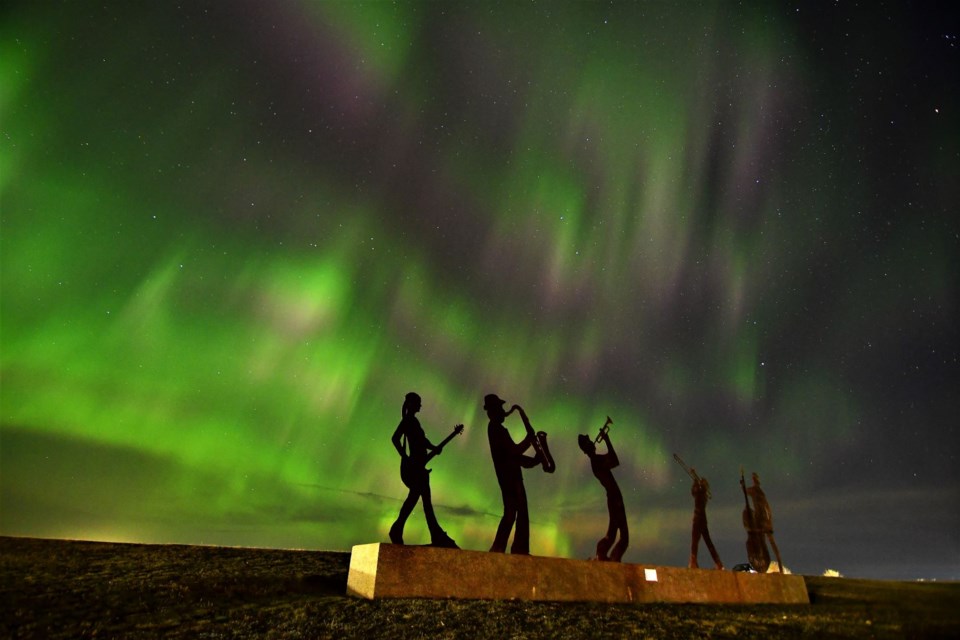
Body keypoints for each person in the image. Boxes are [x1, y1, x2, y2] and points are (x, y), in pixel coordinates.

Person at [389, 392, 457, 548]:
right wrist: (404, 457)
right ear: (411, 404)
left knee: (415, 499)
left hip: (419, 467)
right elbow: (395, 438)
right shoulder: (408, 420)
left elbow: (421, 441)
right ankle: (434, 533)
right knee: (424, 501)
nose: (420, 405)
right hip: (414, 468)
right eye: (418, 403)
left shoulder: (414, 421)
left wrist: (433, 447)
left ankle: (399, 528)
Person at [485, 393, 540, 554]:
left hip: (511, 477)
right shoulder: (495, 429)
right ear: (493, 411)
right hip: (510, 478)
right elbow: (514, 452)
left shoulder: (498, 429)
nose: (504, 411)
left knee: (512, 513)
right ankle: (513, 548)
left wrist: (534, 460)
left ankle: (502, 548)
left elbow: (515, 457)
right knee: (516, 513)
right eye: (500, 408)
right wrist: (529, 439)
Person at [577, 430, 629, 561]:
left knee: (614, 533)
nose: (592, 441)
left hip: (613, 497)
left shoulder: (595, 461)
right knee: (623, 536)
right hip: (614, 498)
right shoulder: (596, 460)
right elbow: (615, 460)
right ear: (587, 447)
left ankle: (605, 555)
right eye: (589, 442)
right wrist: (607, 440)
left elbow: (613, 461)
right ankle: (605, 555)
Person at [746, 472, 783, 573]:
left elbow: (747, 491)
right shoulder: (758, 492)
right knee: (768, 544)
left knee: (769, 544)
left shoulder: (758, 492)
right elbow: (746, 491)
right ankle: (777, 568)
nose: (755, 481)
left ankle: (779, 568)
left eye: (756, 479)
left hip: (762, 521)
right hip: (763, 520)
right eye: (754, 479)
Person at [688, 471, 724, 569]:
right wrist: (696, 481)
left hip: (698, 519)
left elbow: (694, 492)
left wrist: (695, 481)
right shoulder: (704, 494)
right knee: (708, 542)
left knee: (695, 542)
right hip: (703, 520)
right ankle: (718, 563)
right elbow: (695, 492)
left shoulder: (701, 493)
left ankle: (693, 562)